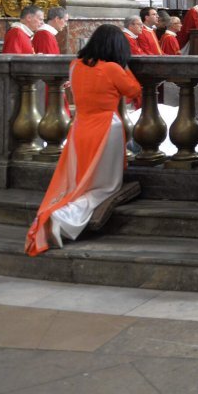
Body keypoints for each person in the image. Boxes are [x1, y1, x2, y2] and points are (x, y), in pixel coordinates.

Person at [25, 24, 142, 256]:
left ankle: (61, 211)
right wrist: (124, 66)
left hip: (80, 128)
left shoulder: (75, 65)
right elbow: (134, 90)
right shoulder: (112, 68)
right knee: (105, 187)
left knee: (80, 183)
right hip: (107, 129)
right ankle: (64, 217)